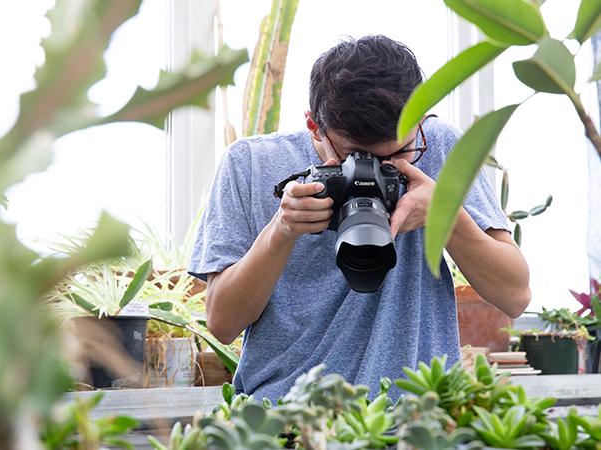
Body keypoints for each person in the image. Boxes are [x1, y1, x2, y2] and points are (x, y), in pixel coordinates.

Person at [188, 34, 531, 401]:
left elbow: (515, 294)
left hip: (417, 420)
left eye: (401, 153)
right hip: (287, 418)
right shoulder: (250, 164)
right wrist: (281, 230)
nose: (380, 169)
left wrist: (446, 216)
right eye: (357, 158)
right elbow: (222, 323)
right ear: (314, 127)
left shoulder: (438, 147)